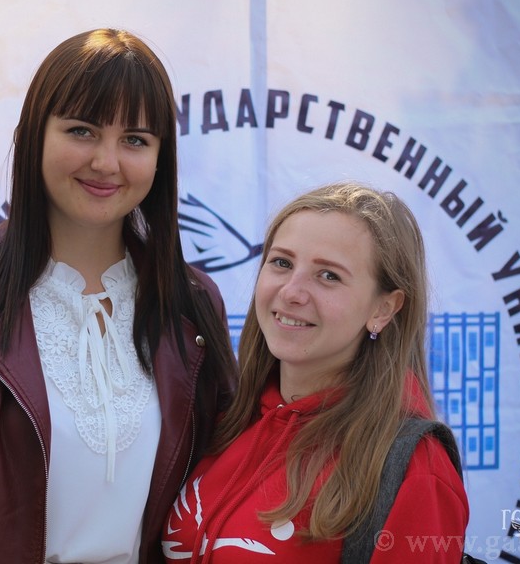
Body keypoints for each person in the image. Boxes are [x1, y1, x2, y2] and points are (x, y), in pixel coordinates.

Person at [0, 28, 238, 564]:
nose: (106, 162)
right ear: (35, 134)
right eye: (82, 131)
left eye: (135, 140)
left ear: (160, 158)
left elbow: (219, 489)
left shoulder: (192, 303)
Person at [162, 182, 470, 563]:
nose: (292, 292)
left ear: (384, 309)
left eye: (329, 276)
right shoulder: (225, 421)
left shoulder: (415, 470)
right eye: (282, 263)